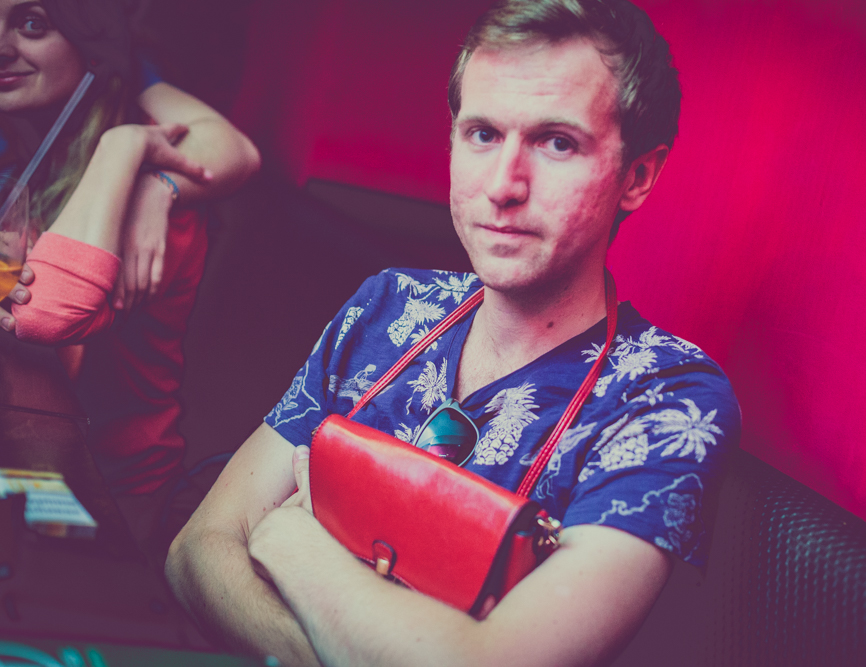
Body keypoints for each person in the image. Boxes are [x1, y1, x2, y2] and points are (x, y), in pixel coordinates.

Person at [167, 0, 739, 665]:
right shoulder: (389, 304)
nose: (503, 185)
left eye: (557, 142)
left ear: (636, 176)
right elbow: (198, 549)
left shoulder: (667, 398)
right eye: (483, 134)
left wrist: (287, 538)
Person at [0, 0, 260, 539]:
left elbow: (42, 315)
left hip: (103, 495)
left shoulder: (146, 204)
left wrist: (125, 150)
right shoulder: (19, 155)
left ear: (91, 41)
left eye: (32, 24)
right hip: (22, 462)